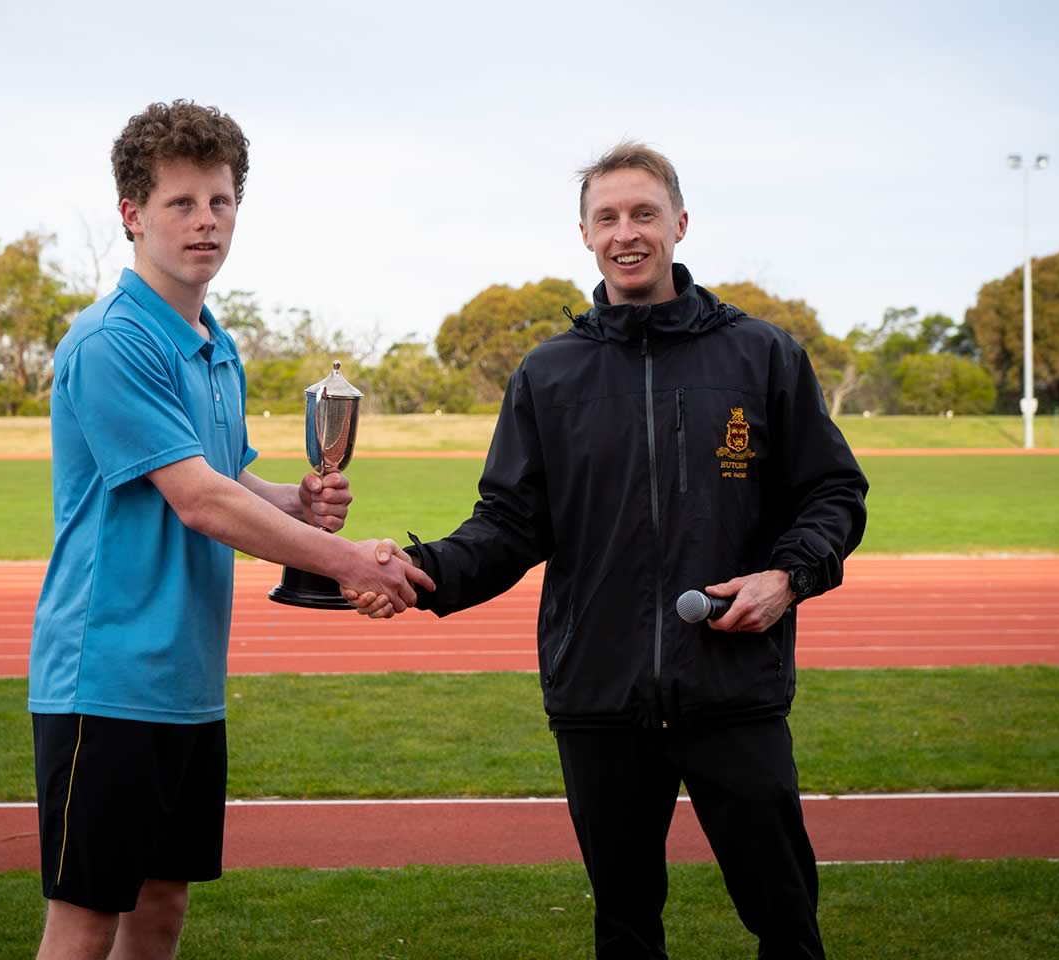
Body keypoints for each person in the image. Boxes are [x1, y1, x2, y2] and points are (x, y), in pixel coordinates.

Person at [356, 142, 867, 958]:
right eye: (608, 217)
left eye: (644, 214)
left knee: (784, 917)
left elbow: (834, 492)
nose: (626, 233)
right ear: (586, 234)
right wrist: (421, 574)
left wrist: (789, 576)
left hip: (733, 685)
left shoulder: (761, 354)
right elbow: (509, 524)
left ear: (680, 225)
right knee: (626, 926)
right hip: (598, 698)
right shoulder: (549, 374)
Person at [26, 100, 431, 960]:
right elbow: (200, 501)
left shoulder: (214, 342)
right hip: (105, 676)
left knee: (163, 903)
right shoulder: (111, 342)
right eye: (181, 202)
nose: (205, 221)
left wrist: (294, 499)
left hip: (186, 677)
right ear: (133, 214)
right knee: (87, 917)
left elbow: (229, 474)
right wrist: (347, 558)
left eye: (221, 201)